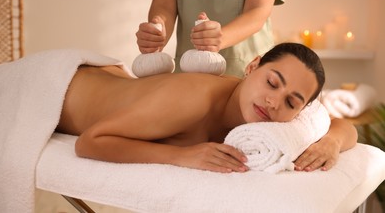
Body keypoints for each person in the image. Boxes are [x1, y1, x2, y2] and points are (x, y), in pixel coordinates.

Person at [56, 43, 358, 173]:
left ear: (301, 111)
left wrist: (330, 143)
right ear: (253, 66)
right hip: (60, 83)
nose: (274, 101)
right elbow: (89, 142)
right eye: (272, 82)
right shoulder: (191, 98)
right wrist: (182, 156)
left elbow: (343, 127)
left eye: (292, 102)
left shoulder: (274, 118)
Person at [135, 0, 284, 77]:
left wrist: (218, 38)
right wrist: (158, 31)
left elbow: (257, 10)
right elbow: (164, 5)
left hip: (246, 70)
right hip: (191, 72)